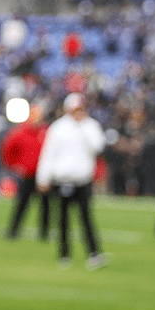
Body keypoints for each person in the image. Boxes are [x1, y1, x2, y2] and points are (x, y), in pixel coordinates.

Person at [35, 93, 107, 269]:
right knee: (62, 220)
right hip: (62, 179)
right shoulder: (58, 128)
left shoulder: (90, 126)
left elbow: (98, 146)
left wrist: (83, 127)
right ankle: (64, 254)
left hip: (82, 180)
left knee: (86, 218)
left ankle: (94, 253)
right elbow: (48, 154)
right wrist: (43, 177)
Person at [0, 102, 50, 240]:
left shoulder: (46, 131)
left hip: (43, 175)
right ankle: (13, 231)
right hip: (27, 174)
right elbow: (7, 149)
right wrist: (13, 166)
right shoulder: (20, 132)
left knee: (45, 206)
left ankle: (44, 233)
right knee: (22, 204)